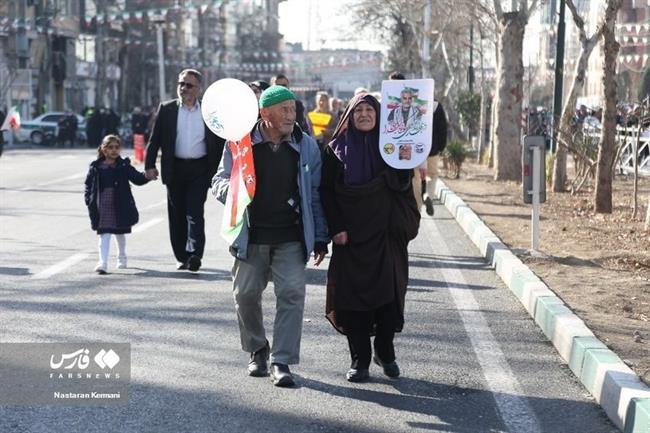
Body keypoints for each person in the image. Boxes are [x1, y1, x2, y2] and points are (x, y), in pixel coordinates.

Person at [212, 85, 328, 387]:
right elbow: (219, 179)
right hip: (251, 235)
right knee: (245, 295)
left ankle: (281, 360)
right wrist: (234, 190)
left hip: (290, 235)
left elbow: (315, 193)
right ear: (265, 114)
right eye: (284, 110)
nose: (292, 115)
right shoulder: (240, 142)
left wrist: (320, 236)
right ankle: (258, 349)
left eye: (293, 109)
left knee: (291, 294)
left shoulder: (306, 145)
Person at [320, 93, 420, 382]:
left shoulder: (393, 147)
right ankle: (359, 360)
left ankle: (385, 351)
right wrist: (335, 227)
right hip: (349, 238)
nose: (364, 114)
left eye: (370, 110)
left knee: (389, 299)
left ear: (379, 116)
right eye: (358, 110)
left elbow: (403, 184)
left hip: (386, 235)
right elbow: (326, 192)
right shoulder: (335, 150)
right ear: (349, 116)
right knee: (352, 302)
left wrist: (406, 156)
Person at [145, 68, 226, 271]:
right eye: (181, 83)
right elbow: (155, 140)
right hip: (175, 169)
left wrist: (223, 170)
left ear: (198, 88)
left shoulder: (208, 111)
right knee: (177, 214)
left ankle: (195, 254)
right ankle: (182, 256)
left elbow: (219, 140)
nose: (184, 88)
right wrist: (149, 165)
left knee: (194, 212)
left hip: (200, 169)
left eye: (189, 85)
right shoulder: (167, 109)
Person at [84, 135, 151, 274]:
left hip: (120, 203)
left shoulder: (123, 165)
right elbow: (88, 186)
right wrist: (89, 200)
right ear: (103, 149)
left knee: (120, 232)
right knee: (104, 233)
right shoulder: (96, 167)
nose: (114, 150)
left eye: (116, 147)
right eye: (110, 147)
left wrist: (147, 176)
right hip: (102, 205)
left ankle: (122, 256)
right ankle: (102, 262)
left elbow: (137, 178)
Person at [389, 72, 447, 216]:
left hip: (413, 147)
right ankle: (428, 195)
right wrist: (440, 147)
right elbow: (442, 128)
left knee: (415, 177)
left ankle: (417, 207)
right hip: (431, 149)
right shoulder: (435, 105)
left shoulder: (399, 103)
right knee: (432, 175)